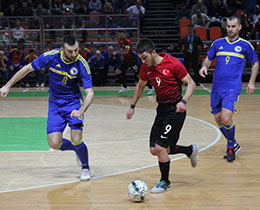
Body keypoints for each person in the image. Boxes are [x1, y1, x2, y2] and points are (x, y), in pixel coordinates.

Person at [0, 35, 94, 180]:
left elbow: (90, 93)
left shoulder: (81, 63)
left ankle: (85, 167)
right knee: (55, 144)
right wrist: (8, 85)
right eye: (70, 51)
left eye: (76, 50)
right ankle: (77, 149)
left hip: (73, 103)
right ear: (62, 50)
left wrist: (81, 110)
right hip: (55, 104)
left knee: (76, 138)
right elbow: (27, 68)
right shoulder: (50, 56)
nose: (74, 54)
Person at [126, 38, 199, 193]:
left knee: (160, 148)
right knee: (154, 149)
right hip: (161, 110)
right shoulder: (146, 68)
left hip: (176, 110)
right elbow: (140, 86)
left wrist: (183, 101)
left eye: (145, 57)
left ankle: (165, 182)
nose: (143, 62)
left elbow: (191, 83)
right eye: (141, 59)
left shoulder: (173, 64)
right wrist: (133, 106)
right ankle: (189, 151)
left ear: (153, 52)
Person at [199, 16, 259, 162]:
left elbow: (255, 63)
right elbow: (208, 58)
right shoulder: (218, 43)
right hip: (216, 87)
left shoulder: (245, 45)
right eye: (228, 26)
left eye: (233, 26)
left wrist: (251, 82)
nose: (230, 29)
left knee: (226, 118)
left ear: (239, 27)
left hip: (232, 87)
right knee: (218, 119)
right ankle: (234, 143)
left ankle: (230, 146)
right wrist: (204, 66)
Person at [115, 30, 154, 95]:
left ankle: (150, 87)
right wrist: (122, 56)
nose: (121, 36)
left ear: (124, 35)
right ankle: (125, 87)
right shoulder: (119, 42)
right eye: (119, 35)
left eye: (122, 34)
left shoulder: (127, 42)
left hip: (132, 61)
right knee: (118, 71)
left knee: (139, 75)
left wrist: (117, 52)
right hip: (126, 61)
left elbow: (127, 51)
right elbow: (123, 49)